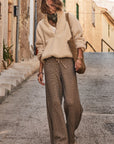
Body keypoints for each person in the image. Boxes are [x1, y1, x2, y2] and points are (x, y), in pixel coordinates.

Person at [36, 0, 86, 144]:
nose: (50, 8)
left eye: (53, 4)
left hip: (67, 62)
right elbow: (40, 49)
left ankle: (70, 134)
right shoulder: (41, 25)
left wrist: (79, 59)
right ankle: (60, 140)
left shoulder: (69, 18)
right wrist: (40, 71)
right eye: (47, 5)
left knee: (72, 103)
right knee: (54, 103)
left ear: (57, 4)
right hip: (50, 64)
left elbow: (79, 39)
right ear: (44, 6)